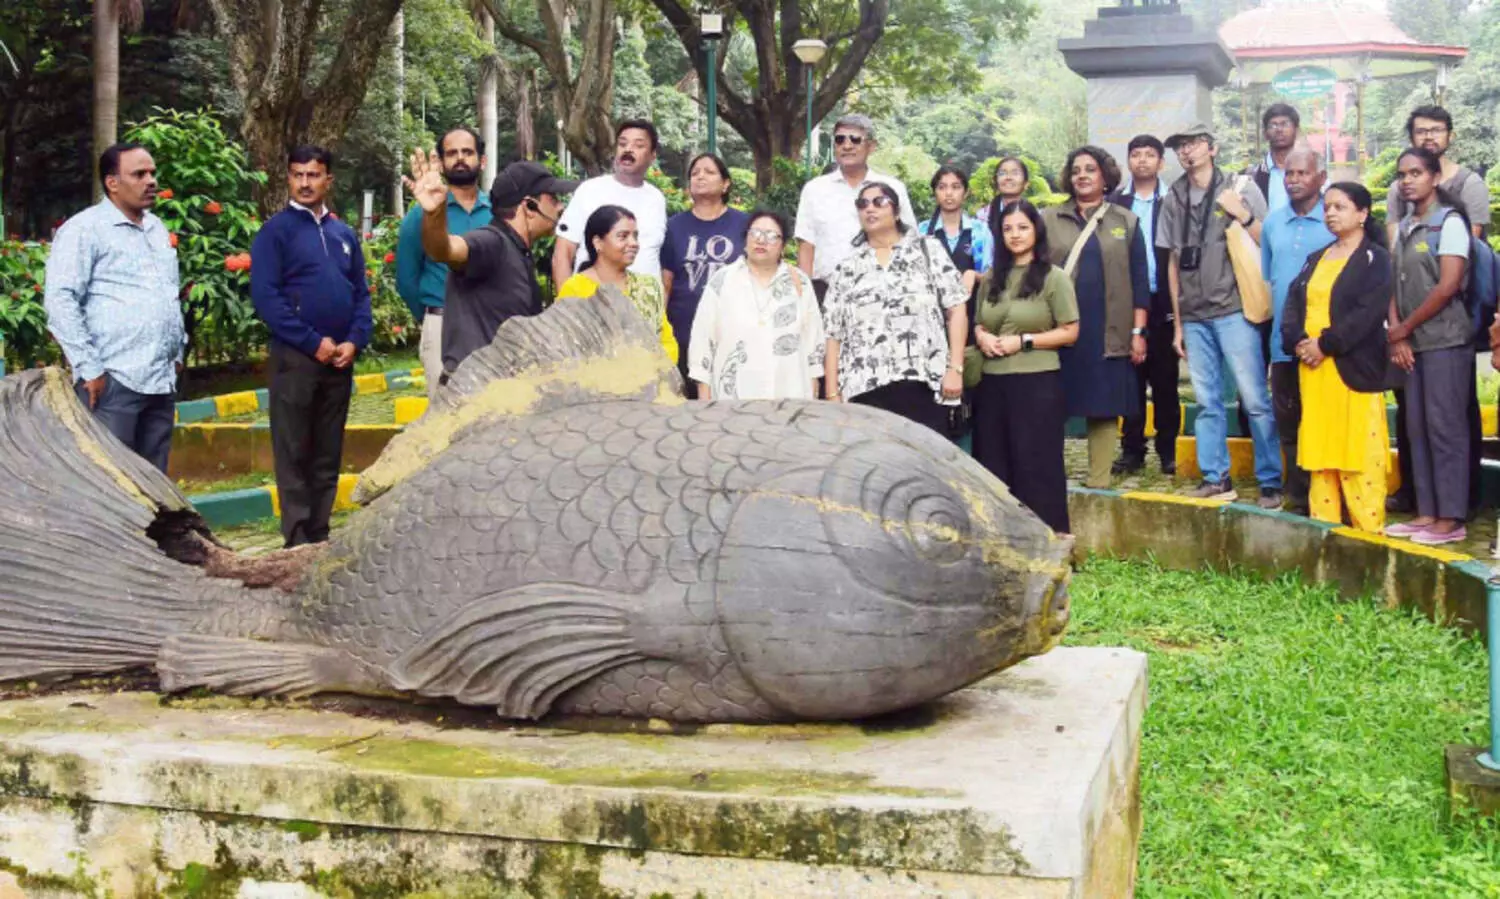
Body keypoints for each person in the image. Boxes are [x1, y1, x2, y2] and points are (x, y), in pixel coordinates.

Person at [250, 145, 371, 547]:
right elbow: (267, 299)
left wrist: (354, 340)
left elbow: (361, 294)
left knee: (327, 452)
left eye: (313, 175)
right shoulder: (275, 233)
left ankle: (320, 535)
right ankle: (297, 540)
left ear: (328, 180)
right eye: (298, 174)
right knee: (294, 451)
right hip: (296, 360)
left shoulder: (343, 234)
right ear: (288, 178)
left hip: (339, 362)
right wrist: (311, 342)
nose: (305, 182)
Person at [1158, 122, 1280, 506]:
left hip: (1234, 309)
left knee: (1255, 398)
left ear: (1211, 148)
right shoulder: (1173, 197)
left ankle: (1271, 479)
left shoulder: (1240, 187)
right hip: (1194, 315)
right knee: (1206, 401)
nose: (1187, 152)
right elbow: (1173, 262)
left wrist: (1241, 214)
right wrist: (1177, 323)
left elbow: (1268, 240)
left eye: (1193, 144)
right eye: (1180, 146)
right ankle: (1216, 476)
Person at [44, 141, 185, 473]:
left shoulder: (155, 228)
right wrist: (89, 368)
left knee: (155, 485)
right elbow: (60, 300)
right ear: (112, 182)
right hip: (112, 381)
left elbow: (168, 294)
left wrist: (177, 353)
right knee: (113, 482)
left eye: (152, 172)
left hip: (160, 380)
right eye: (139, 174)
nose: (150, 180)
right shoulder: (84, 230)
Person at [1383, 104, 1488, 517]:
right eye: (1402, 175)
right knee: (1417, 429)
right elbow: (1393, 276)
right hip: (1412, 342)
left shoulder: (1452, 221)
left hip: (1446, 338)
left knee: (1447, 429)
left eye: (1416, 174)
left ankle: (1453, 517)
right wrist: (1399, 333)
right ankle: (1426, 513)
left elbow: (1448, 285)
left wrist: (1404, 326)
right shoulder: (1406, 225)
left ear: (1434, 177)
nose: (1408, 182)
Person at [1279, 182, 1392, 533]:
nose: (1330, 213)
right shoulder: (1318, 257)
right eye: (1327, 207)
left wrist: (1325, 345)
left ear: (1362, 213)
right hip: (1314, 372)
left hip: (1351, 369)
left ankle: (1368, 534)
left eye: (1339, 207)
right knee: (1321, 452)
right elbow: (1293, 303)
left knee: (1358, 451)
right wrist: (1299, 342)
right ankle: (1324, 532)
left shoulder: (1375, 258)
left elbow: (1366, 313)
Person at [405, 154, 576, 375]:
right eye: (553, 198)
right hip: (475, 393)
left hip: (503, 391)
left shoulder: (519, 250)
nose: (560, 206)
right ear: (530, 207)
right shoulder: (492, 242)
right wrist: (434, 213)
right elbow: (445, 250)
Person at [1042, 145, 1149, 489]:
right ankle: (1046, 476)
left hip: (1108, 327)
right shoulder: (1048, 219)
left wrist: (1138, 331)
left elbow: (1139, 280)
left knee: (1103, 404)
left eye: (1090, 169)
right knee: (1050, 403)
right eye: (1076, 170)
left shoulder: (1125, 221)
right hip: (1058, 327)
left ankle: (1099, 480)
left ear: (1105, 176)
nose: (1082, 176)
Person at [971, 200, 1080, 533]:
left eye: (1022, 227)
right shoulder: (992, 278)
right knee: (993, 467)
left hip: (1036, 384)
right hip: (992, 385)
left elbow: (1071, 331)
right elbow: (978, 322)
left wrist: (1025, 341)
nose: (1015, 235)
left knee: (1038, 468)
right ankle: (1001, 545)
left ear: (1036, 230)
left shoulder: (1054, 278)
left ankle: (1048, 545)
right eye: (1007, 229)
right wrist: (982, 337)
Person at [823, 182, 966, 433]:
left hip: (923, 384)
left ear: (897, 212)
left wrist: (955, 368)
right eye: (862, 204)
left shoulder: (927, 250)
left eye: (879, 202)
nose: (870, 209)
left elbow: (956, 309)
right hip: (863, 391)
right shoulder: (847, 267)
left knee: (924, 467)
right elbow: (833, 334)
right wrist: (833, 393)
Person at [1258, 148, 1333, 515]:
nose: (1294, 180)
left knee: (1325, 421)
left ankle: (1329, 496)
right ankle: (1298, 495)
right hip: (1284, 345)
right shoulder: (1272, 224)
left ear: (1321, 177)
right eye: (1289, 174)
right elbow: (1271, 278)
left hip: (1327, 346)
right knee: (1288, 421)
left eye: (1303, 173)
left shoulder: (1334, 220)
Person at [395, 126, 492, 400]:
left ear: (481, 161)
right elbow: (406, 279)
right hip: (442, 325)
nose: (460, 159)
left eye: (467, 152)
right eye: (452, 153)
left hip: (491, 327)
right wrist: (431, 319)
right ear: (441, 162)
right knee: (446, 416)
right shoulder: (422, 214)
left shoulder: (497, 213)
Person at [688, 210, 823, 400]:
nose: (761, 240)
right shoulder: (723, 280)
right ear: (745, 240)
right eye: (755, 233)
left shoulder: (799, 283)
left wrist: (813, 392)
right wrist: (704, 396)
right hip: (733, 398)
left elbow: (814, 342)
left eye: (771, 236)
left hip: (789, 394)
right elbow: (702, 340)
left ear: (783, 245)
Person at [1110, 133, 1180, 476]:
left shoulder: (1175, 200)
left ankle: (1168, 450)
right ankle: (1132, 449)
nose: (1142, 160)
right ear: (1128, 161)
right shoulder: (1115, 203)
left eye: (1149, 155)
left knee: (1166, 380)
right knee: (1131, 381)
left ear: (1161, 162)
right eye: (1136, 154)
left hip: (1164, 301)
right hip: (1126, 303)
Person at [794, 114, 916, 303]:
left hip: (882, 292)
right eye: (840, 139)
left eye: (855, 139)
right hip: (825, 293)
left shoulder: (893, 188)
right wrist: (804, 297)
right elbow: (806, 246)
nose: (847, 145)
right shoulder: (814, 190)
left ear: (871, 146)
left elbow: (909, 240)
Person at [660, 153, 751, 395]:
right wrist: (659, 326)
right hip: (683, 330)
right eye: (695, 173)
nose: (700, 176)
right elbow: (666, 281)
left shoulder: (744, 225)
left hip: (733, 329)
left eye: (709, 172)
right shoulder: (674, 226)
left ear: (726, 184)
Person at [556, 205, 677, 362]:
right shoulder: (577, 288)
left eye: (635, 236)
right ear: (598, 242)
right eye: (623, 236)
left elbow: (666, 341)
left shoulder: (648, 287)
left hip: (652, 381)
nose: (633, 243)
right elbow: (566, 346)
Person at [552, 119, 667, 283]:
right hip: (594, 301)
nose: (628, 149)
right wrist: (567, 304)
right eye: (622, 143)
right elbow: (563, 253)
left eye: (638, 145)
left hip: (644, 303)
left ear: (652, 155)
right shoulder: (590, 190)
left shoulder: (657, 199)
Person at [1385, 106, 1490, 238]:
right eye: (1421, 132)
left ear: (1450, 136)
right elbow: (1394, 244)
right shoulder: (1400, 188)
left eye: (1436, 130)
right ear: (1411, 138)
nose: (1429, 137)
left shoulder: (1469, 183)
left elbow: (1470, 243)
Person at [918, 165, 993, 296]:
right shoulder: (922, 231)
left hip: (973, 308)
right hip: (934, 309)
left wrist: (974, 275)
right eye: (942, 187)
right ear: (934, 192)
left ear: (966, 193)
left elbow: (991, 275)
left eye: (956, 187)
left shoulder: (980, 231)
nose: (948, 193)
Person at [1245, 103, 1301, 216]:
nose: (1279, 130)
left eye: (1285, 124)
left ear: (1297, 131)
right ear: (1265, 134)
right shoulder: (1252, 176)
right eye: (1273, 125)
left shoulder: (1311, 173)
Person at [977, 156, 1031, 227]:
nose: (1008, 177)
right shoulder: (983, 217)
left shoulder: (1034, 216)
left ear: (1026, 184)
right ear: (995, 181)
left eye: (1015, 173)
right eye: (1002, 173)